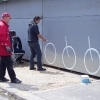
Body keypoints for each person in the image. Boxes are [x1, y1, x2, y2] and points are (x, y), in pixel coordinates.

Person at [0, 12, 22, 83]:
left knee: (3, 63)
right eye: (9, 18)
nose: (10, 19)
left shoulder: (4, 25)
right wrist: (6, 46)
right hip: (4, 49)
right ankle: (13, 78)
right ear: (6, 18)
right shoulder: (2, 26)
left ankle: (1, 77)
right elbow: (1, 38)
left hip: (3, 49)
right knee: (9, 63)